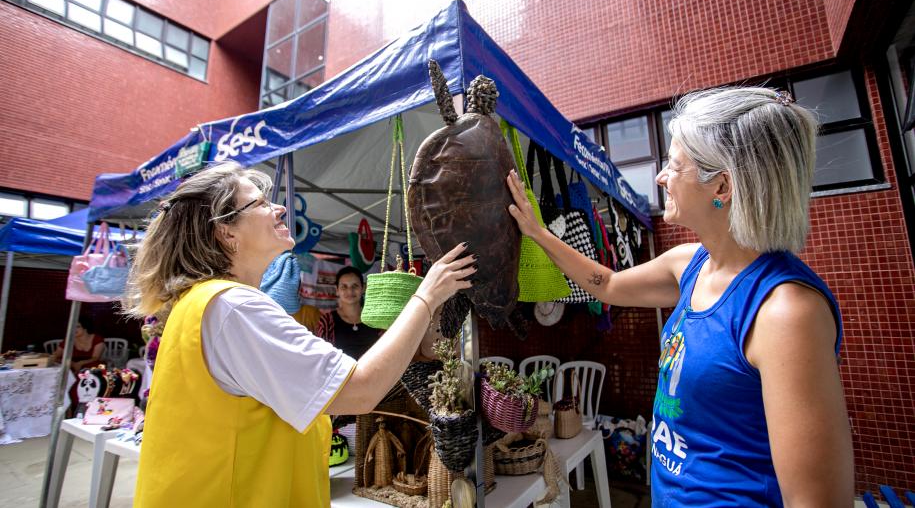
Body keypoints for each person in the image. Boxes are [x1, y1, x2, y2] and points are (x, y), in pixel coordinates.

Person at [506, 87, 854, 507]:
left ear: (721, 185)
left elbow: (817, 502)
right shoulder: (690, 263)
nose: (660, 176)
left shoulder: (784, 312)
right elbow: (608, 285)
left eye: (673, 165)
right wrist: (538, 234)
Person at [123, 162, 475, 507]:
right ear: (225, 232)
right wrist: (426, 296)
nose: (278, 208)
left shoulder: (202, 303)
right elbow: (361, 390)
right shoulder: (233, 307)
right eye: (259, 203)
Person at [315, 266, 380, 359]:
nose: (350, 291)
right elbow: (322, 356)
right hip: (341, 373)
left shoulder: (375, 318)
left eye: (355, 286)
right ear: (337, 290)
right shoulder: (327, 321)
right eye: (344, 287)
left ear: (363, 288)